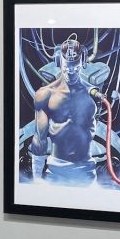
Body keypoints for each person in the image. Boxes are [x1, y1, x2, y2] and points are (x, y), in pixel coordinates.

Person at [30, 34, 99, 186]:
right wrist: (36, 178)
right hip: (55, 172)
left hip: (87, 172)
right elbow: (40, 138)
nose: (71, 71)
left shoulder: (92, 94)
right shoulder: (45, 95)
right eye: (67, 67)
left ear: (83, 62)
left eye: (76, 66)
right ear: (58, 61)